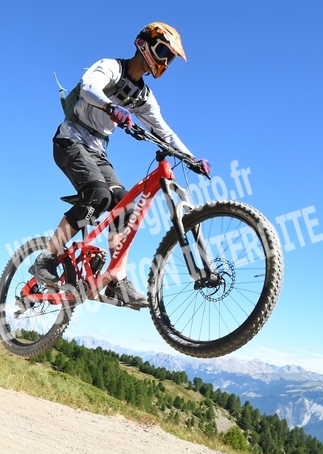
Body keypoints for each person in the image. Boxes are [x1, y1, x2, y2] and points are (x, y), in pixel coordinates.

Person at [29, 22, 211, 307]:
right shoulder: (111, 67)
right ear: (145, 44)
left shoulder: (144, 97)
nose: (165, 62)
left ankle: (116, 279)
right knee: (99, 196)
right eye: (163, 52)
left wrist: (191, 158)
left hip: (97, 151)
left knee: (124, 206)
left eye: (170, 58)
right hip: (70, 139)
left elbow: (163, 131)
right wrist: (110, 107)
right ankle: (46, 259)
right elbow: (89, 87)